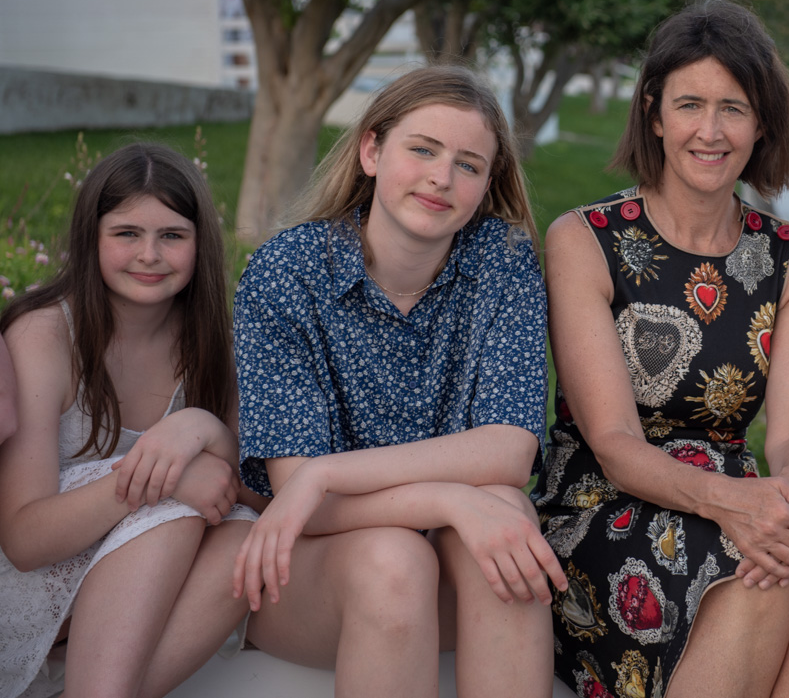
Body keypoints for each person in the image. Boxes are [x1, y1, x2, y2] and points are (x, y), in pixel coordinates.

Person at [531, 0, 789, 698]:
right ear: (654, 114)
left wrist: (788, 495)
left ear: (762, 124)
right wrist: (735, 506)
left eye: (734, 108)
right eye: (690, 104)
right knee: (752, 564)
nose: (711, 130)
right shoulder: (586, 240)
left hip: (741, 495)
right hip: (606, 505)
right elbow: (614, 442)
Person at [231, 65, 566, 698]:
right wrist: (450, 499)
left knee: (506, 513)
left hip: (448, 569)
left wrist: (328, 472)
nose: (442, 177)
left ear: (486, 183)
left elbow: (510, 450)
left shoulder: (503, 259)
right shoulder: (288, 271)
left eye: (468, 165)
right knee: (396, 556)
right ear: (372, 151)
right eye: (423, 150)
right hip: (312, 575)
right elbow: (301, 502)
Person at [0, 144, 258, 698]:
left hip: (131, 605)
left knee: (243, 533)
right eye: (126, 233)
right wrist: (164, 480)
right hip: (28, 589)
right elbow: (21, 539)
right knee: (175, 502)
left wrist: (205, 428)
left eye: (172, 235)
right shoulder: (45, 335)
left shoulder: (212, 343)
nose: (149, 254)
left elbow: (247, 491)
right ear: (90, 237)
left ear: (199, 243)